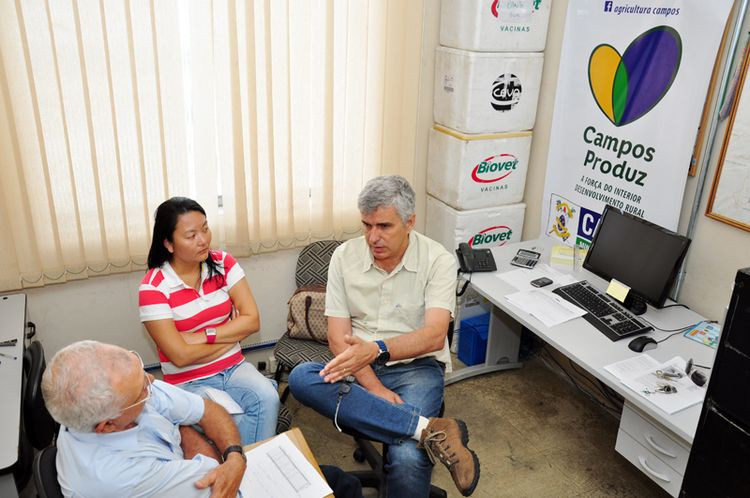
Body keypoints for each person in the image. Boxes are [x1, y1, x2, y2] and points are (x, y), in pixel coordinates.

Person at [288, 175, 480, 497]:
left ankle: (411, 433)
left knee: (407, 458)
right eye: (366, 225)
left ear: (410, 222)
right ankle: (428, 430)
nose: (372, 237)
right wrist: (373, 387)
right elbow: (338, 338)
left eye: (384, 226)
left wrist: (376, 349)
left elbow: (434, 336)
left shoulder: (438, 261)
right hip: (358, 367)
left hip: (416, 368)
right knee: (301, 377)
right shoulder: (344, 257)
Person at [139, 197, 279, 445]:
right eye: (191, 235)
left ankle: (244, 473)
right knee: (228, 421)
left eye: (205, 228)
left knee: (269, 397)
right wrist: (232, 333)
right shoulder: (153, 287)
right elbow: (179, 356)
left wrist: (205, 335)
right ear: (169, 244)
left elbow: (252, 321)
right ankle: (247, 473)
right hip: (188, 381)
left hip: (234, 367)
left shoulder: (224, 263)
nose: (203, 239)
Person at [41, 340, 246, 497]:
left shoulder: (117, 393)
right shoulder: (119, 477)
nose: (151, 379)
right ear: (108, 425)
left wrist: (235, 455)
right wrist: (182, 425)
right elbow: (217, 481)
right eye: (142, 391)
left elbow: (207, 410)